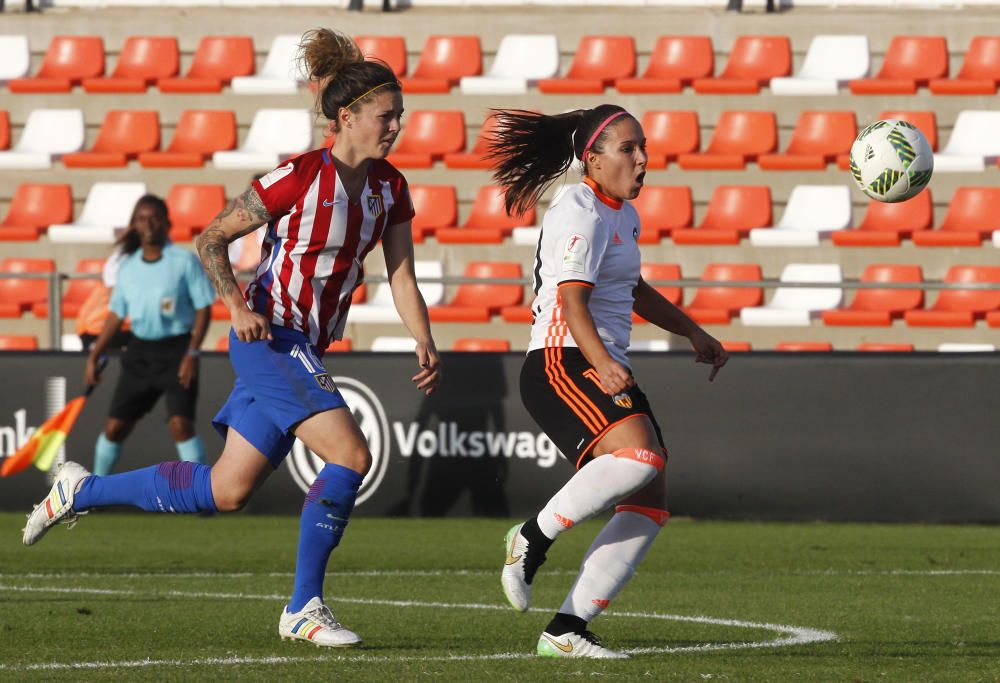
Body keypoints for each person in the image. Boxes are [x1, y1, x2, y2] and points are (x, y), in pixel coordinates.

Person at [22, 28, 441, 648]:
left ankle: (81, 489)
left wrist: (422, 336)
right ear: (346, 116)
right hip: (271, 337)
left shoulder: (391, 188)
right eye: (386, 116)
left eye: (400, 116)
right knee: (352, 456)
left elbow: (400, 270)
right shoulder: (297, 178)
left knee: (227, 490)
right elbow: (211, 236)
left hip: (304, 348)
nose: (395, 127)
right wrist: (236, 305)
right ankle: (304, 608)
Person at [488, 105, 729, 659]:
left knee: (650, 501)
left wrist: (693, 332)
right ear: (591, 160)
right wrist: (602, 361)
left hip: (591, 356)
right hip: (561, 358)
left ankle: (567, 630)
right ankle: (531, 537)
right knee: (641, 460)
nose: (643, 159)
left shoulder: (620, 213)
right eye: (629, 149)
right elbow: (571, 299)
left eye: (644, 146)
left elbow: (634, 289)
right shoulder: (579, 206)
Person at [83, 195, 213, 475]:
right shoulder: (128, 267)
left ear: (167, 223)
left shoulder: (183, 261)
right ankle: (94, 492)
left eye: (154, 218)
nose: (148, 224)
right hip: (140, 352)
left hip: (177, 351)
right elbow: (116, 314)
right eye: (142, 219)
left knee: (181, 425)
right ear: (134, 226)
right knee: (115, 427)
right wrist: (95, 354)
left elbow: (204, 307)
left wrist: (192, 352)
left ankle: (204, 497)